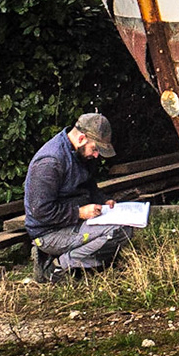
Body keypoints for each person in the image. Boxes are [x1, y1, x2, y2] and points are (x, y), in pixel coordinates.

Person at [24, 112, 135, 281]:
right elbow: (40, 211)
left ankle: (81, 263)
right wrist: (79, 213)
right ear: (82, 138)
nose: (97, 155)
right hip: (48, 232)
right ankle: (58, 267)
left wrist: (102, 200)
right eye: (95, 149)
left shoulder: (81, 153)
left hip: (72, 222)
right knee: (117, 232)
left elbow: (88, 185)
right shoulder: (50, 162)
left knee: (126, 227)